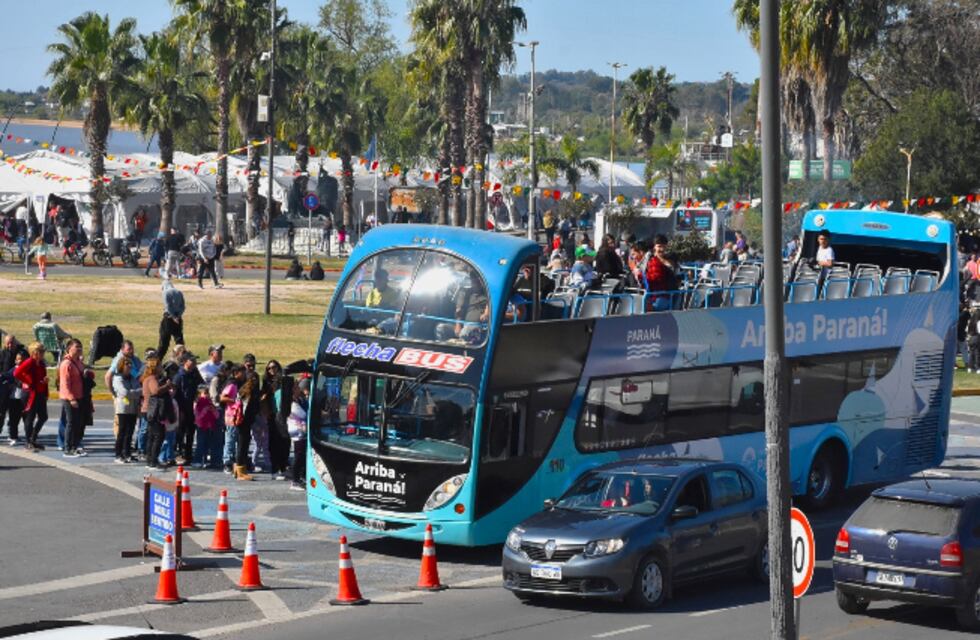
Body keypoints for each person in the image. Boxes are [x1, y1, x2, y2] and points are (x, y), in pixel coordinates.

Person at [13, 342, 49, 452]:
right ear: (34, 352)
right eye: (41, 351)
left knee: (43, 416)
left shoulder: (41, 363)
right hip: (30, 393)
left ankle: (33, 438)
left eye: (43, 351)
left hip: (40, 392)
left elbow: (42, 378)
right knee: (30, 417)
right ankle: (28, 442)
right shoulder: (29, 362)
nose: (43, 353)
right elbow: (17, 373)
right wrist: (28, 381)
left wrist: (45, 388)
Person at [262, 359, 292, 480]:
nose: (271, 370)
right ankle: (275, 469)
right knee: (274, 443)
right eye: (269, 368)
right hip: (272, 415)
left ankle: (283, 467)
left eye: (274, 367)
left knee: (285, 441)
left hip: (283, 413)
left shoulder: (283, 381)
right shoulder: (266, 382)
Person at [141, 357, 173, 470]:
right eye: (159, 366)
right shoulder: (152, 378)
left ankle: (150, 460)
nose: (161, 368)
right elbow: (155, 391)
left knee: (151, 436)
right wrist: (167, 386)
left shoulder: (148, 378)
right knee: (158, 435)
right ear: (155, 367)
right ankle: (153, 461)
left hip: (148, 410)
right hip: (152, 410)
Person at [221, 364, 251, 480]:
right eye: (241, 372)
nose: (244, 374)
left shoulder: (241, 383)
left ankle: (234, 462)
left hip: (237, 415)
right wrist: (235, 400)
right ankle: (227, 462)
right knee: (230, 438)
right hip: (231, 415)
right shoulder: (232, 384)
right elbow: (223, 397)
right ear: (235, 373)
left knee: (237, 438)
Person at [173, 353, 204, 465]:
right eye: (192, 361)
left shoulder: (195, 373)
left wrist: (199, 394)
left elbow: (202, 385)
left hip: (192, 407)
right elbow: (175, 392)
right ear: (185, 362)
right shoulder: (179, 376)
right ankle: (178, 453)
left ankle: (188, 454)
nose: (195, 363)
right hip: (182, 407)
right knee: (180, 432)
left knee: (191, 431)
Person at [111, 355, 141, 463]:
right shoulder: (118, 378)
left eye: (130, 365)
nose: (129, 367)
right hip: (123, 408)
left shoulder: (132, 378)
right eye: (127, 365)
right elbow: (124, 393)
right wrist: (135, 392)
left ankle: (127, 453)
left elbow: (138, 389)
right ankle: (118, 454)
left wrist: (134, 393)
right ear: (121, 366)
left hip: (133, 407)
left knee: (130, 432)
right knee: (122, 432)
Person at [288, 375, 310, 491]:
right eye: (296, 387)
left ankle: (301, 476)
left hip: (303, 431)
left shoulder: (300, 400)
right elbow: (303, 414)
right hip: (297, 433)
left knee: (302, 456)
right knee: (298, 456)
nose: (299, 389)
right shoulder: (292, 403)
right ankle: (294, 480)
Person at [192, 384, 222, 469]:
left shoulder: (210, 403)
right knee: (200, 443)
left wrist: (213, 410)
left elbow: (216, 416)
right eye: (204, 393)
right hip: (201, 426)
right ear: (199, 394)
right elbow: (197, 416)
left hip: (210, 426)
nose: (207, 395)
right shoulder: (197, 403)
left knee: (207, 444)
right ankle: (197, 460)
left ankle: (205, 460)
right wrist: (205, 410)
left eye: (207, 393)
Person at [1, 350, 27, 446]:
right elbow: (5, 376)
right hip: (14, 398)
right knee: (13, 420)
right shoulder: (13, 369)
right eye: (17, 359)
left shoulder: (28, 369)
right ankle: (13, 437)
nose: (18, 361)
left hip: (25, 398)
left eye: (20, 359)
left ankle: (30, 437)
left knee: (27, 419)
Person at [645, 235, 676, 311]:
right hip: (652, 295)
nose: (661, 249)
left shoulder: (670, 259)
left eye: (663, 246)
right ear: (654, 247)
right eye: (659, 246)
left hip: (664, 296)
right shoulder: (650, 260)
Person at [158, 280, 185, 357]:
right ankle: (182, 359)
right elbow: (183, 306)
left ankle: (157, 361)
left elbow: (168, 306)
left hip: (168, 318)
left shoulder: (166, 292)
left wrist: (173, 317)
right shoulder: (179, 292)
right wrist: (178, 316)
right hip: (178, 319)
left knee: (164, 343)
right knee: (179, 341)